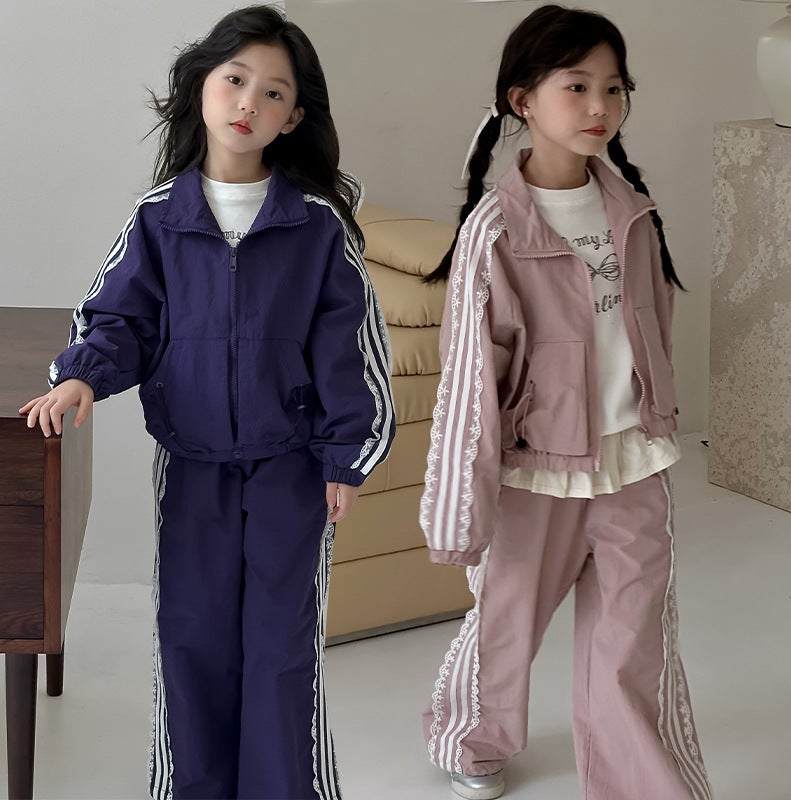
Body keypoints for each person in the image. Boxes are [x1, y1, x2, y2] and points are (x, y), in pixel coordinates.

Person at [20, 6, 394, 799]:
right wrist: (82, 374)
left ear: (294, 118)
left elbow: (349, 347)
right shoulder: (160, 218)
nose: (248, 103)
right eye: (234, 79)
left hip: (292, 470)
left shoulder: (317, 227)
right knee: (191, 637)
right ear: (201, 86)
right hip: (191, 469)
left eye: (273, 92)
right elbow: (118, 319)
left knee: (281, 647)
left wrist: (346, 455)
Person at [419, 6, 711, 800]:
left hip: (631, 460)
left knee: (632, 640)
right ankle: (472, 740)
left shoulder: (633, 212)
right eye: (576, 86)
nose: (599, 107)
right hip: (533, 471)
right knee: (507, 627)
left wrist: (658, 417)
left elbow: (652, 328)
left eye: (614, 88)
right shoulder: (496, 231)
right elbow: (469, 379)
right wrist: (460, 506)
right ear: (523, 100)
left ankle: (639, 783)